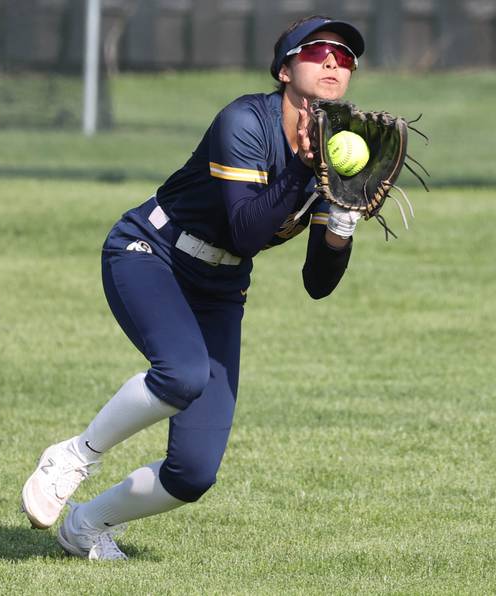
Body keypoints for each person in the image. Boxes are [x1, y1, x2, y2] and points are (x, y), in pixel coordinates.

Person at [21, 15, 366, 561]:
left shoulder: (338, 153)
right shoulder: (244, 121)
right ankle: (74, 456)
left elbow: (317, 284)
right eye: (319, 50)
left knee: (194, 472)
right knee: (181, 373)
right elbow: (246, 228)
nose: (332, 61)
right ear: (284, 69)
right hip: (150, 251)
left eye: (345, 57)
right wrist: (306, 172)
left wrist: (342, 221)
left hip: (221, 286)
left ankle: (85, 526)